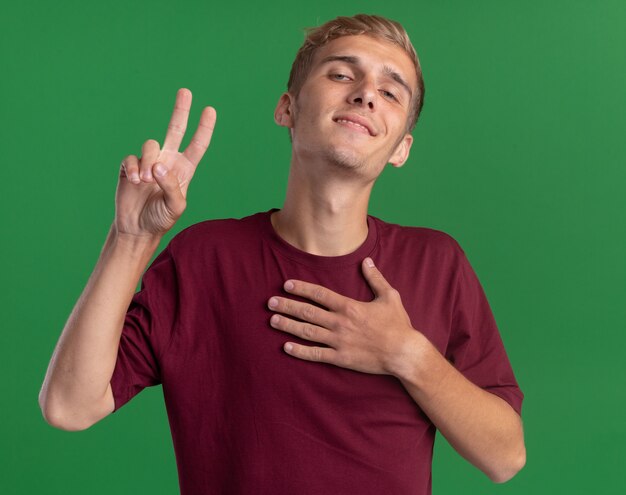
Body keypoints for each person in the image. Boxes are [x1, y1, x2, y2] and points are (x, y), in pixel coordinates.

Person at [39, 14, 525, 494]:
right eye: (340, 74)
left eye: (391, 91)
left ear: (402, 148)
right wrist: (130, 239)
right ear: (286, 108)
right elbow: (69, 405)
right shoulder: (205, 260)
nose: (365, 94)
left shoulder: (437, 264)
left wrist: (406, 353)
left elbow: (505, 457)